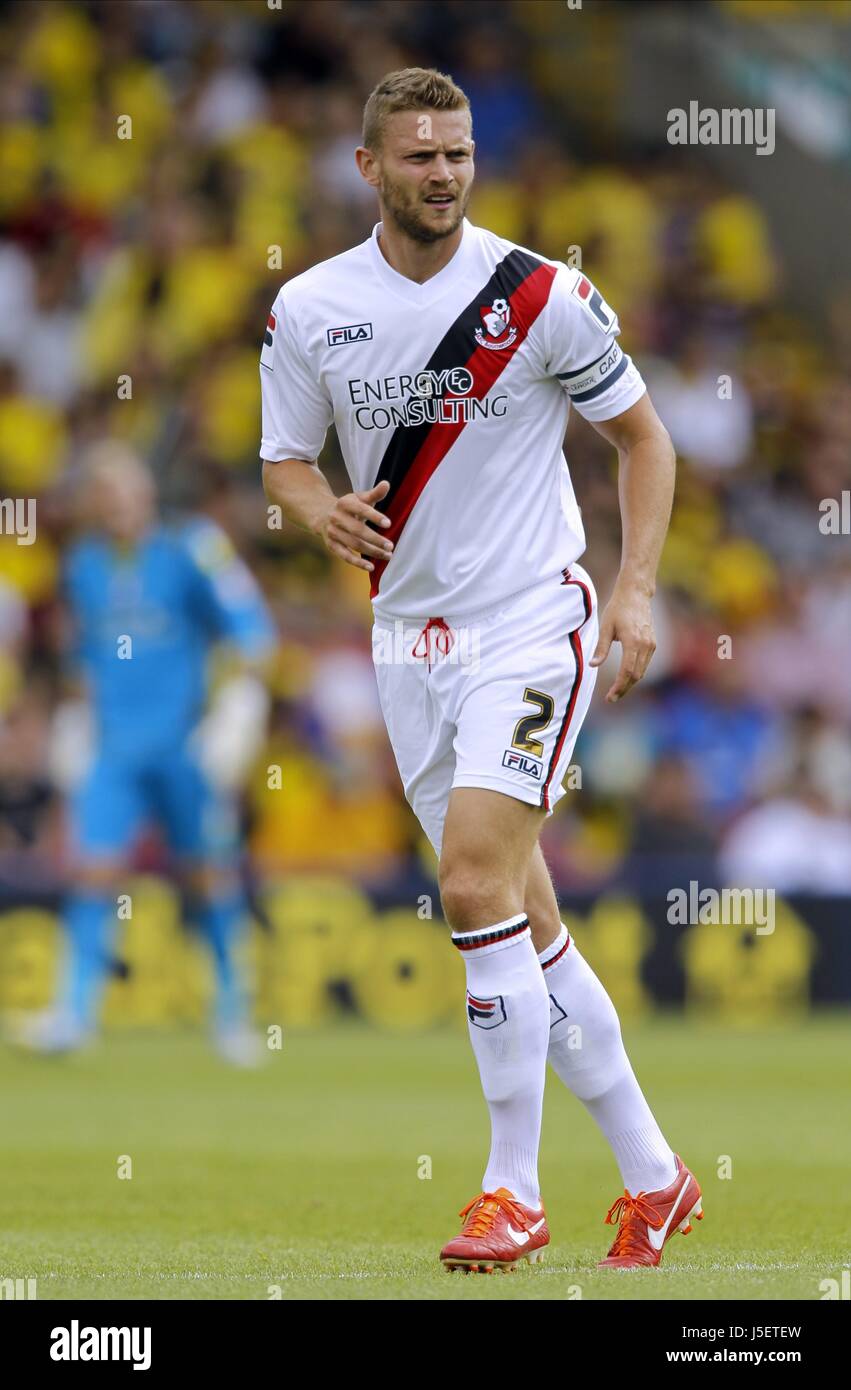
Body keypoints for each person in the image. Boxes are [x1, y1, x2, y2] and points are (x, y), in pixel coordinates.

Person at [261, 68, 701, 1270]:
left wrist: (635, 588)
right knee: (525, 920)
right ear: (369, 168)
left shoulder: (538, 293)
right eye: (419, 157)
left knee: (467, 885)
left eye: (456, 153)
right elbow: (284, 460)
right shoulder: (310, 308)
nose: (444, 173)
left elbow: (642, 438)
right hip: (409, 643)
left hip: (528, 620)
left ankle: (510, 1189)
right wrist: (317, 513)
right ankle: (654, 1177)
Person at [20, 441, 276, 1066]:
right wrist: (75, 721)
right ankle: (73, 1016)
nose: (115, 505)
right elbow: (80, 657)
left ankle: (232, 1013)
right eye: (101, 495)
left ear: (146, 493)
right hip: (114, 749)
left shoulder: (193, 549)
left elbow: (251, 632)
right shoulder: (82, 566)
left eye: (124, 491)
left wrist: (235, 713)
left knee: (207, 873)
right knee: (93, 870)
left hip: (185, 744)